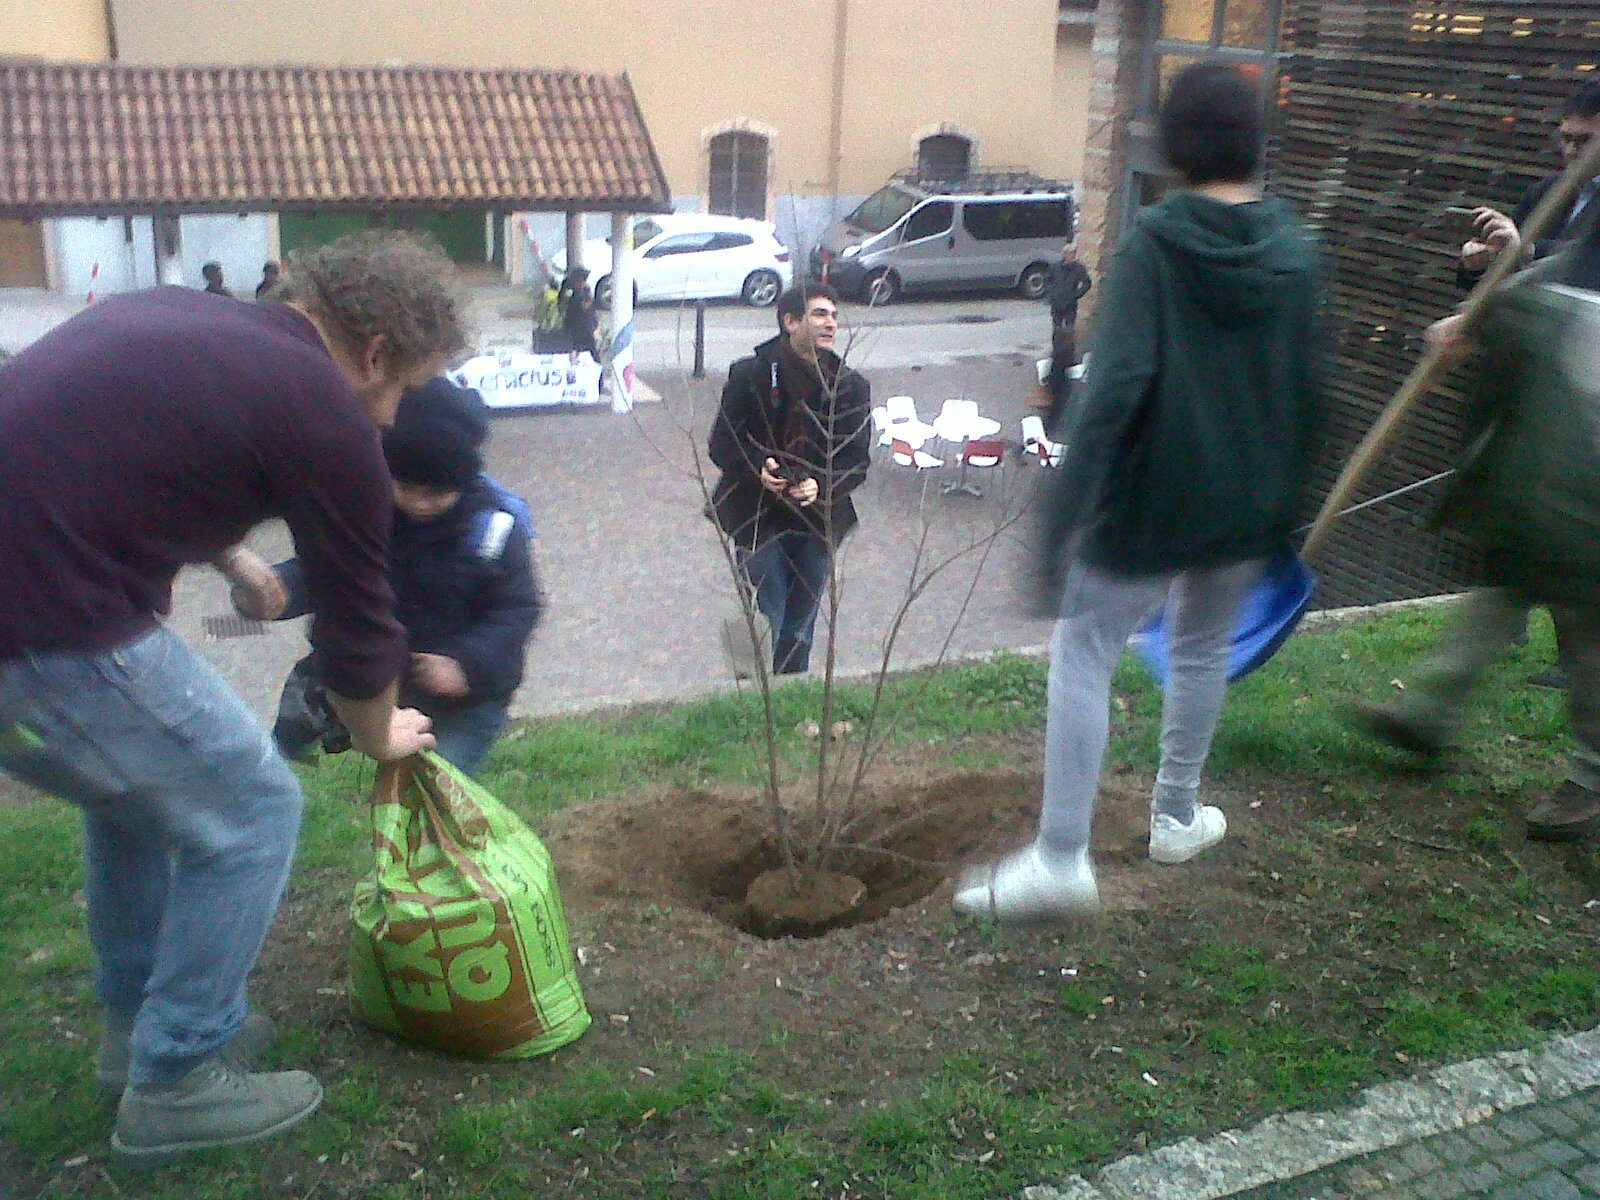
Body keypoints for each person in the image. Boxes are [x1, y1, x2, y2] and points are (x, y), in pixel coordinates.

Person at [0, 230, 462, 1159]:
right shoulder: (324, 408)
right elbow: (358, 626)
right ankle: (176, 1078)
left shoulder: (189, 317)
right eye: (403, 388)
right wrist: (380, 735)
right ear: (373, 352)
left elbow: (123, 441)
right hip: (47, 620)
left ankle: (138, 1034)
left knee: (137, 802)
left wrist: (233, 552)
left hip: (29, 601)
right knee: (254, 808)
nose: (389, 417)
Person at [953, 63, 1323, 921]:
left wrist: (1053, 536)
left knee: (1085, 645)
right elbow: (1313, 394)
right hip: (1243, 505)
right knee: (1199, 649)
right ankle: (1176, 814)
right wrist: (1283, 505)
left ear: (1170, 148)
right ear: (1256, 144)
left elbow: (1114, 392)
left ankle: (1059, 860)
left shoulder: (1156, 245)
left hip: (1153, 501)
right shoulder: (1298, 252)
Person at [1349, 199, 1600, 843]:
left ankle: (1592, 776)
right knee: (1516, 560)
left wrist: (1491, 312)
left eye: (1583, 136)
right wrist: (1490, 303)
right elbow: (1574, 265)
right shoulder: (1592, 195)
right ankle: (1430, 712)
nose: (1572, 148)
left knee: (1582, 601)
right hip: (1568, 398)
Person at [234, 378, 542, 776]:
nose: (419, 503)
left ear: (463, 484)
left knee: (437, 779)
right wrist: (283, 590)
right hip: (375, 673)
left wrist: (468, 664)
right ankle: (271, 770)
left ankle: (430, 827)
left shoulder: (494, 529)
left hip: (466, 698)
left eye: (437, 493)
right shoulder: (366, 513)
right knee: (279, 750)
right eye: (406, 487)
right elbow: (330, 568)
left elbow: (518, 607)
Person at [707, 284, 872, 675]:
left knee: (801, 626)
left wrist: (822, 483)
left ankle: (793, 696)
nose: (830, 322)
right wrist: (756, 467)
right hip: (758, 519)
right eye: (819, 314)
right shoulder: (751, 375)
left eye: (833, 315)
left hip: (817, 522)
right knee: (768, 617)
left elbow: (857, 460)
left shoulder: (849, 386)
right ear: (790, 321)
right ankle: (758, 695)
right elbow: (721, 445)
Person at [1042, 242, 1093, 431]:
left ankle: (1068, 357)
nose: (1072, 256)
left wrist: (1076, 295)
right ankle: (1057, 355)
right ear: (1065, 254)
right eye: (1070, 253)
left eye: (1074, 253)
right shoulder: (1055, 267)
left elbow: (1087, 283)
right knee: (1057, 331)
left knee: (1069, 331)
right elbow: (1047, 281)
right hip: (1058, 304)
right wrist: (1051, 295)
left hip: (1070, 304)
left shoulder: (1078, 269)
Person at [559, 266, 599, 358]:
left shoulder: (585, 290)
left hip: (586, 328)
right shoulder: (570, 293)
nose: (583, 283)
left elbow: (590, 309)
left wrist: (594, 324)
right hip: (575, 329)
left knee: (591, 353)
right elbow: (567, 307)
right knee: (577, 352)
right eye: (581, 281)